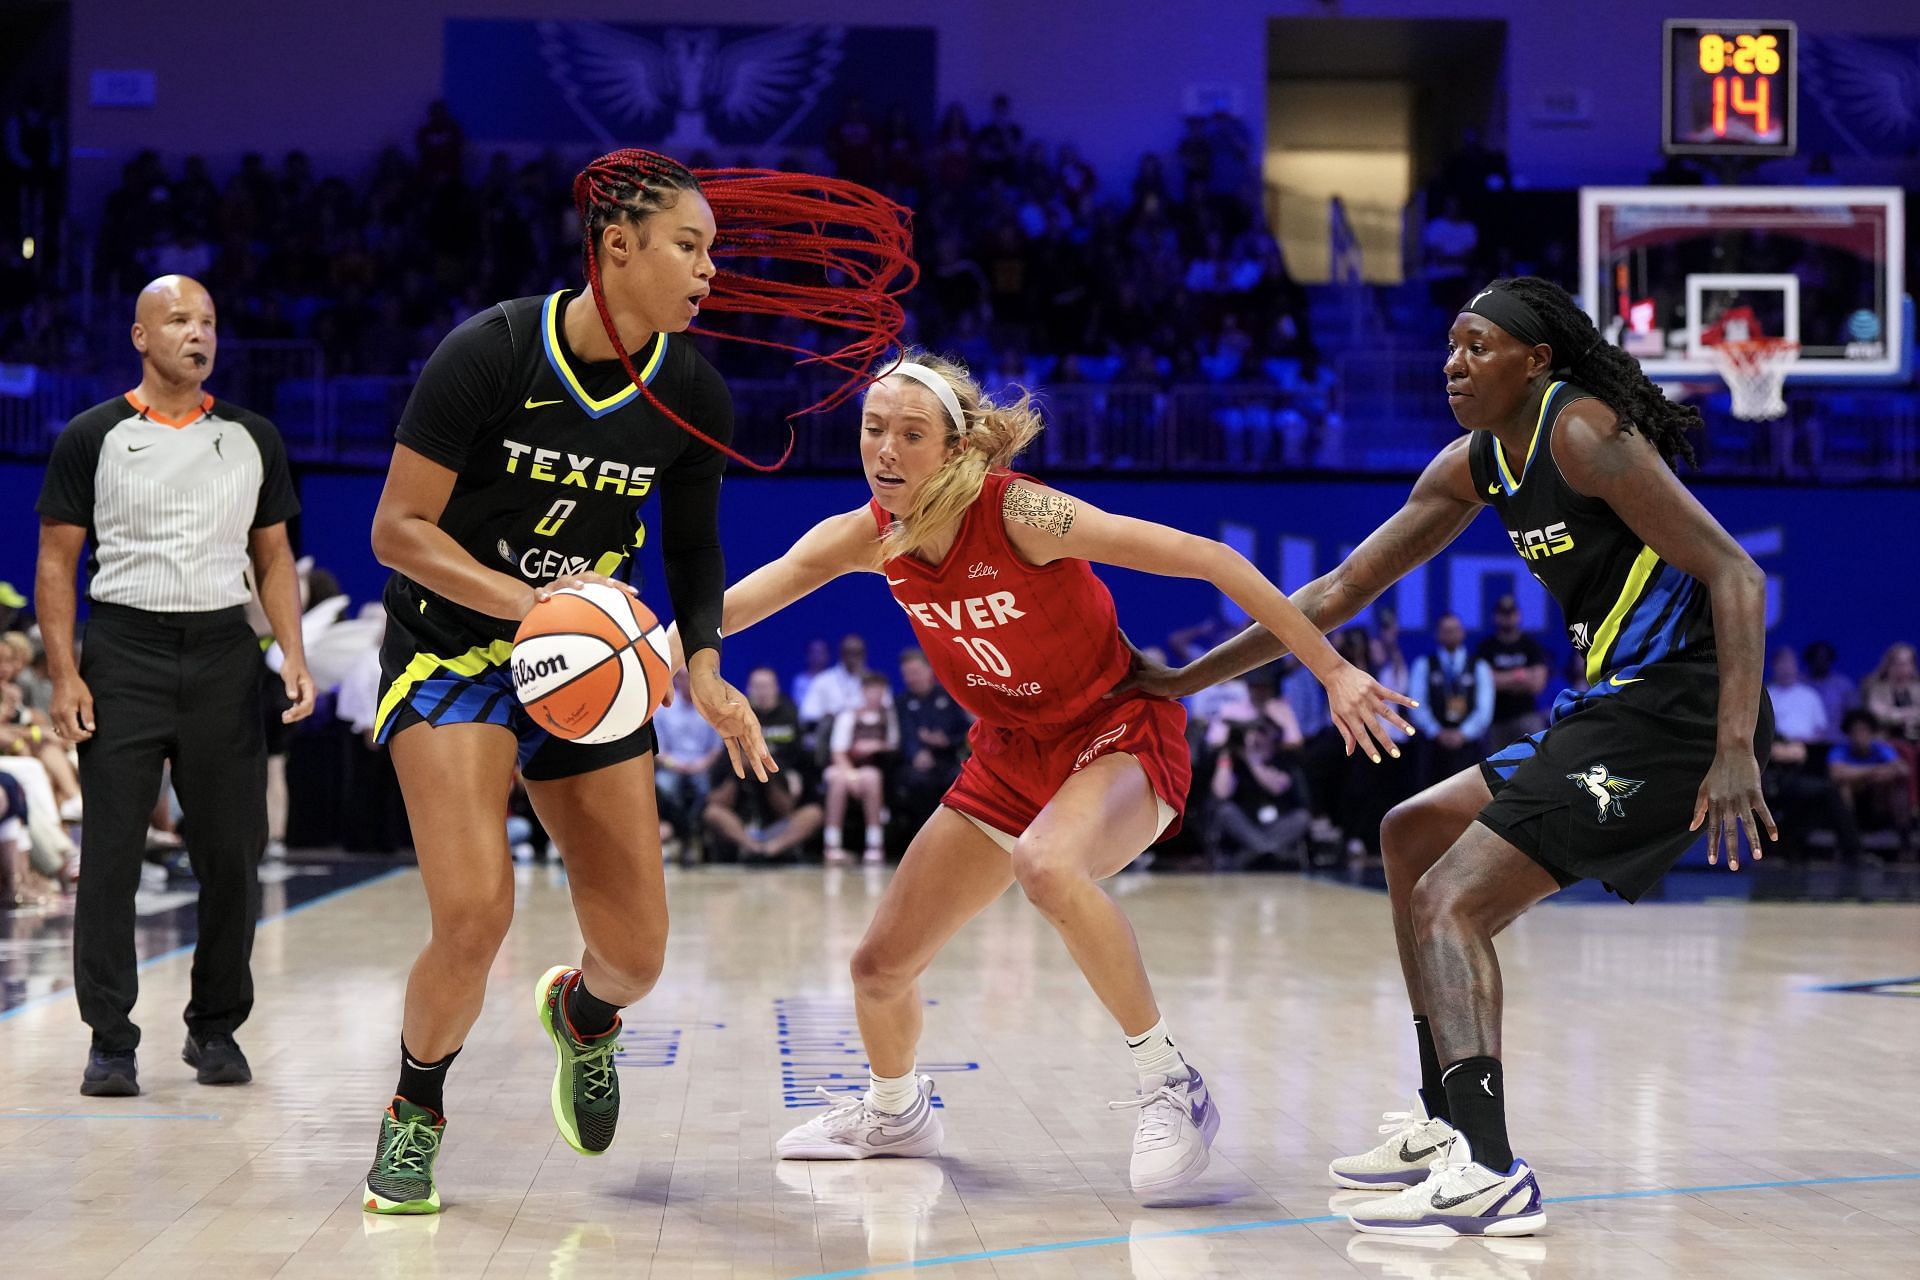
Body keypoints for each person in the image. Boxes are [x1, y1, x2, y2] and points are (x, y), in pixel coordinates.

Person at [680, 350, 1411, 1194]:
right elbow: (723, 613)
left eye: (910, 435)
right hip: (1009, 751)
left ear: (954, 451)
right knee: (878, 970)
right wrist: (622, 647)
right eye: (874, 430)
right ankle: (895, 1112)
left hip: (1116, 731)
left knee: (1046, 863)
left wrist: (1331, 670)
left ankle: (1170, 1081)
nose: (884, 451)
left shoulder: (1024, 512)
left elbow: (1210, 557)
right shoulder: (862, 537)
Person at [1133, 277, 1776, 1234]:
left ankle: (1490, 1166)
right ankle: (1445, 1122)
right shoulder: (1478, 463)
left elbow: (1736, 569)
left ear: (1537, 361)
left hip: (1672, 716)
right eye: (1450, 347)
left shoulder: (1584, 434)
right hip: (1605, 706)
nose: (1454, 365)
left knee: (1452, 897)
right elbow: (1343, 586)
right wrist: (1188, 679)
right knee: (1412, 837)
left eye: (1479, 347)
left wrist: (1734, 747)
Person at [357, 149, 772, 1215]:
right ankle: (415, 1114)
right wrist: (532, 605)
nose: (709, 269)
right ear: (618, 247)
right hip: (453, 648)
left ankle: (583, 1017)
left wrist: (711, 667)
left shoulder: (692, 389)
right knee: (476, 913)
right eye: (692, 245)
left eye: (713, 251)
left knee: (637, 953)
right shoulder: (489, 354)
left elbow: (694, 557)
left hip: (586, 671)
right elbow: (396, 531)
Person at [35, 274, 315, 1098]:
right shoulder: (94, 435)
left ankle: (216, 1027)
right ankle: (111, 1041)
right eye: (180, 320)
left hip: (226, 652)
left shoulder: (253, 435)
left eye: (210, 323)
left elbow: (272, 558)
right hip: (123, 648)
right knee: (113, 854)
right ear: (140, 336)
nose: (199, 334)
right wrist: (63, 673)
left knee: (233, 854)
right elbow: (56, 562)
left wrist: (290, 653)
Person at [1406, 613, 1495, 786]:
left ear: (1463, 633)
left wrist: (1463, 733)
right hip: (1433, 747)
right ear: (1437, 634)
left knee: (1469, 798)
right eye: (1445, 630)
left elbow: (1485, 710)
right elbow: (1416, 705)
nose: (1450, 634)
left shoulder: (1479, 666)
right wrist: (1437, 731)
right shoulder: (1423, 665)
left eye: (1454, 630)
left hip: (1469, 747)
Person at [824, 671, 899, 864]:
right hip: (846, 767)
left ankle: (874, 844)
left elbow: (894, 744)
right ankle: (832, 844)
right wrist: (850, 775)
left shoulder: (889, 717)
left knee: (872, 777)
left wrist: (876, 746)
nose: (876, 695)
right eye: (871, 690)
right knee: (837, 779)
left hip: (875, 770)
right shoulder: (849, 715)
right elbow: (838, 752)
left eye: (880, 691)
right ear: (863, 691)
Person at [1474, 594, 1549, 745]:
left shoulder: (1531, 646)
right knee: (1494, 765)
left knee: (1535, 761)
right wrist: (1521, 675)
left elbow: (1538, 684)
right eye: (1503, 613)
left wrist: (1502, 679)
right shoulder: (1486, 647)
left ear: (1518, 615)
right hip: (1496, 720)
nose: (1507, 618)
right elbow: (1486, 681)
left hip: (1527, 716)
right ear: (1495, 616)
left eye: (1511, 613)